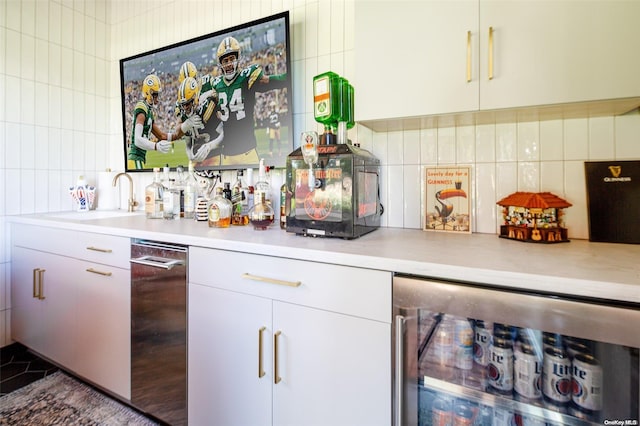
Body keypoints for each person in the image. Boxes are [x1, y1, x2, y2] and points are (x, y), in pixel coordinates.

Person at [212, 36, 288, 166]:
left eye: (232, 59)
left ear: (238, 59)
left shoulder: (247, 77)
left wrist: (289, 76)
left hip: (248, 151)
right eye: (225, 60)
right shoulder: (216, 85)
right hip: (226, 155)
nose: (229, 63)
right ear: (221, 63)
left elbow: (270, 81)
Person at [127, 74, 201, 170]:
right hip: (135, 158)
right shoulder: (142, 107)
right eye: (155, 94)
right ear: (148, 93)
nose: (157, 97)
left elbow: (161, 136)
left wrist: (181, 131)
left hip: (139, 158)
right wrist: (156, 146)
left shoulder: (149, 112)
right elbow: (137, 140)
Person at [176, 76, 224, 166]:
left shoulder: (206, 109)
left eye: (188, 103)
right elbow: (188, 142)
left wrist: (210, 146)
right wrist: (190, 154)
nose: (185, 108)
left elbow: (225, 133)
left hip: (215, 157)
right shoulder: (184, 118)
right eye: (182, 104)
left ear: (195, 99)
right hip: (197, 161)